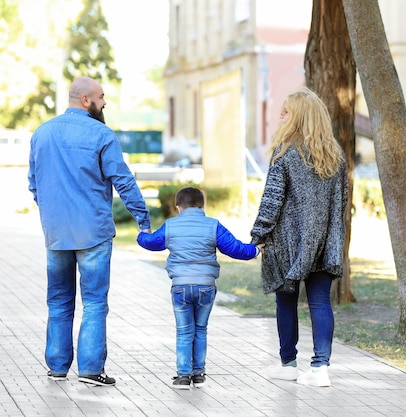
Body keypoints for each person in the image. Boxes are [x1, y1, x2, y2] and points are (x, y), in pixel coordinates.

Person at [28, 77, 151, 386]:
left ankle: (57, 368)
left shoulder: (41, 134)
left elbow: (34, 183)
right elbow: (122, 179)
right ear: (86, 100)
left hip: (56, 234)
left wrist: (51, 213)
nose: (105, 102)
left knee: (58, 301)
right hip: (93, 233)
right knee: (94, 302)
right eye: (101, 97)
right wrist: (143, 218)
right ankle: (90, 370)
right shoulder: (101, 134)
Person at [250, 87, 348, 387]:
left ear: (299, 118)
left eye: (286, 111)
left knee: (286, 302)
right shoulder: (336, 157)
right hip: (325, 242)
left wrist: (259, 235)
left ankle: (288, 363)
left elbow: (272, 200)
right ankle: (320, 368)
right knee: (320, 303)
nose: (281, 116)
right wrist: (328, 235)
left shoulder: (285, 153)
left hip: (289, 243)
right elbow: (341, 202)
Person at [137, 186, 260, 389]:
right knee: (200, 330)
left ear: (178, 207)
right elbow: (235, 248)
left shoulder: (171, 226)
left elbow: (151, 243)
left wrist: (142, 234)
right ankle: (199, 374)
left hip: (180, 287)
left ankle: (183, 376)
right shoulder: (213, 225)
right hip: (206, 287)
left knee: (184, 332)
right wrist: (255, 250)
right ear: (203, 206)